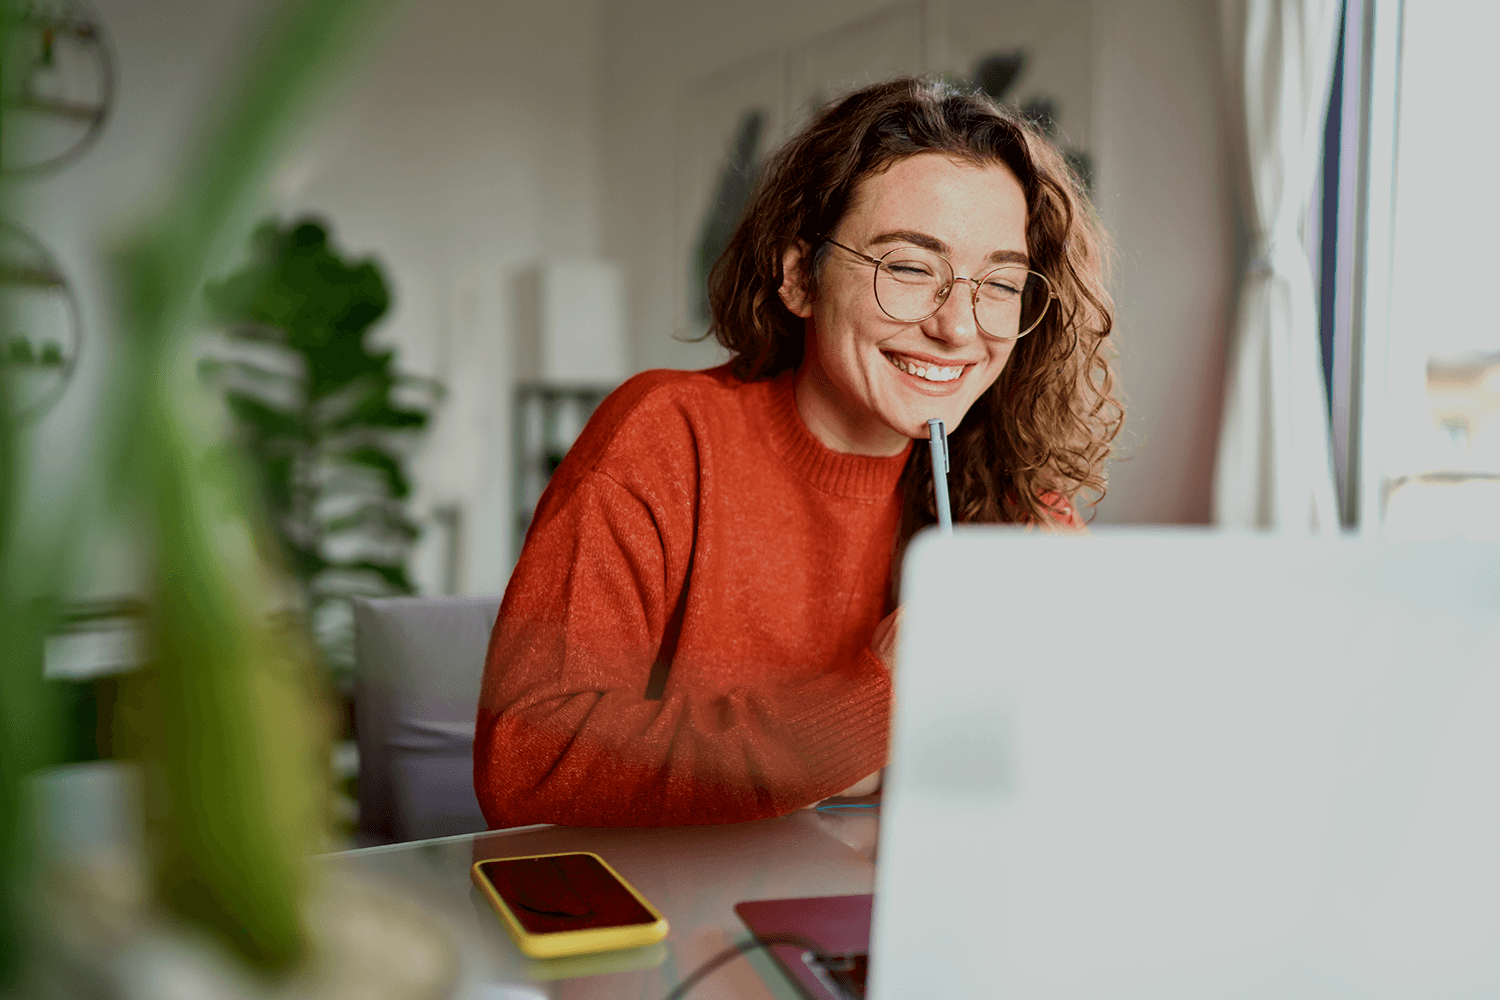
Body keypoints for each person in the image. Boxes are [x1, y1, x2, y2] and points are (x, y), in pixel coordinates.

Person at [474, 76, 1121, 829]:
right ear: (797, 277)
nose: (958, 326)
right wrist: (875, 702)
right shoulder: (664, 437)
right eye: (909, 268)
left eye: (1000, 283)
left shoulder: (1015, 493)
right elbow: (528, 762)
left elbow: (1079, 759)